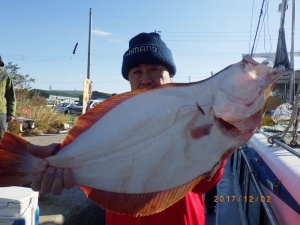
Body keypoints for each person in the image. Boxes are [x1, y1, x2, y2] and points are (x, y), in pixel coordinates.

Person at [28, 32, 225, 225]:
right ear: (129, 80)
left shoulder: (197, 113)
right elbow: (88, 153)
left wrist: (223, 139)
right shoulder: (114, 118)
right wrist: (57, 158)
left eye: (155, 69)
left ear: (170, 75)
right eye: (137, 72)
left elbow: (205, 184)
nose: (145, 78)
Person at [0, 56, 16, 139]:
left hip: (1, 111)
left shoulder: (5, 76)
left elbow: (11, 96)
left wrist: (11, 113)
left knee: (2, 137)